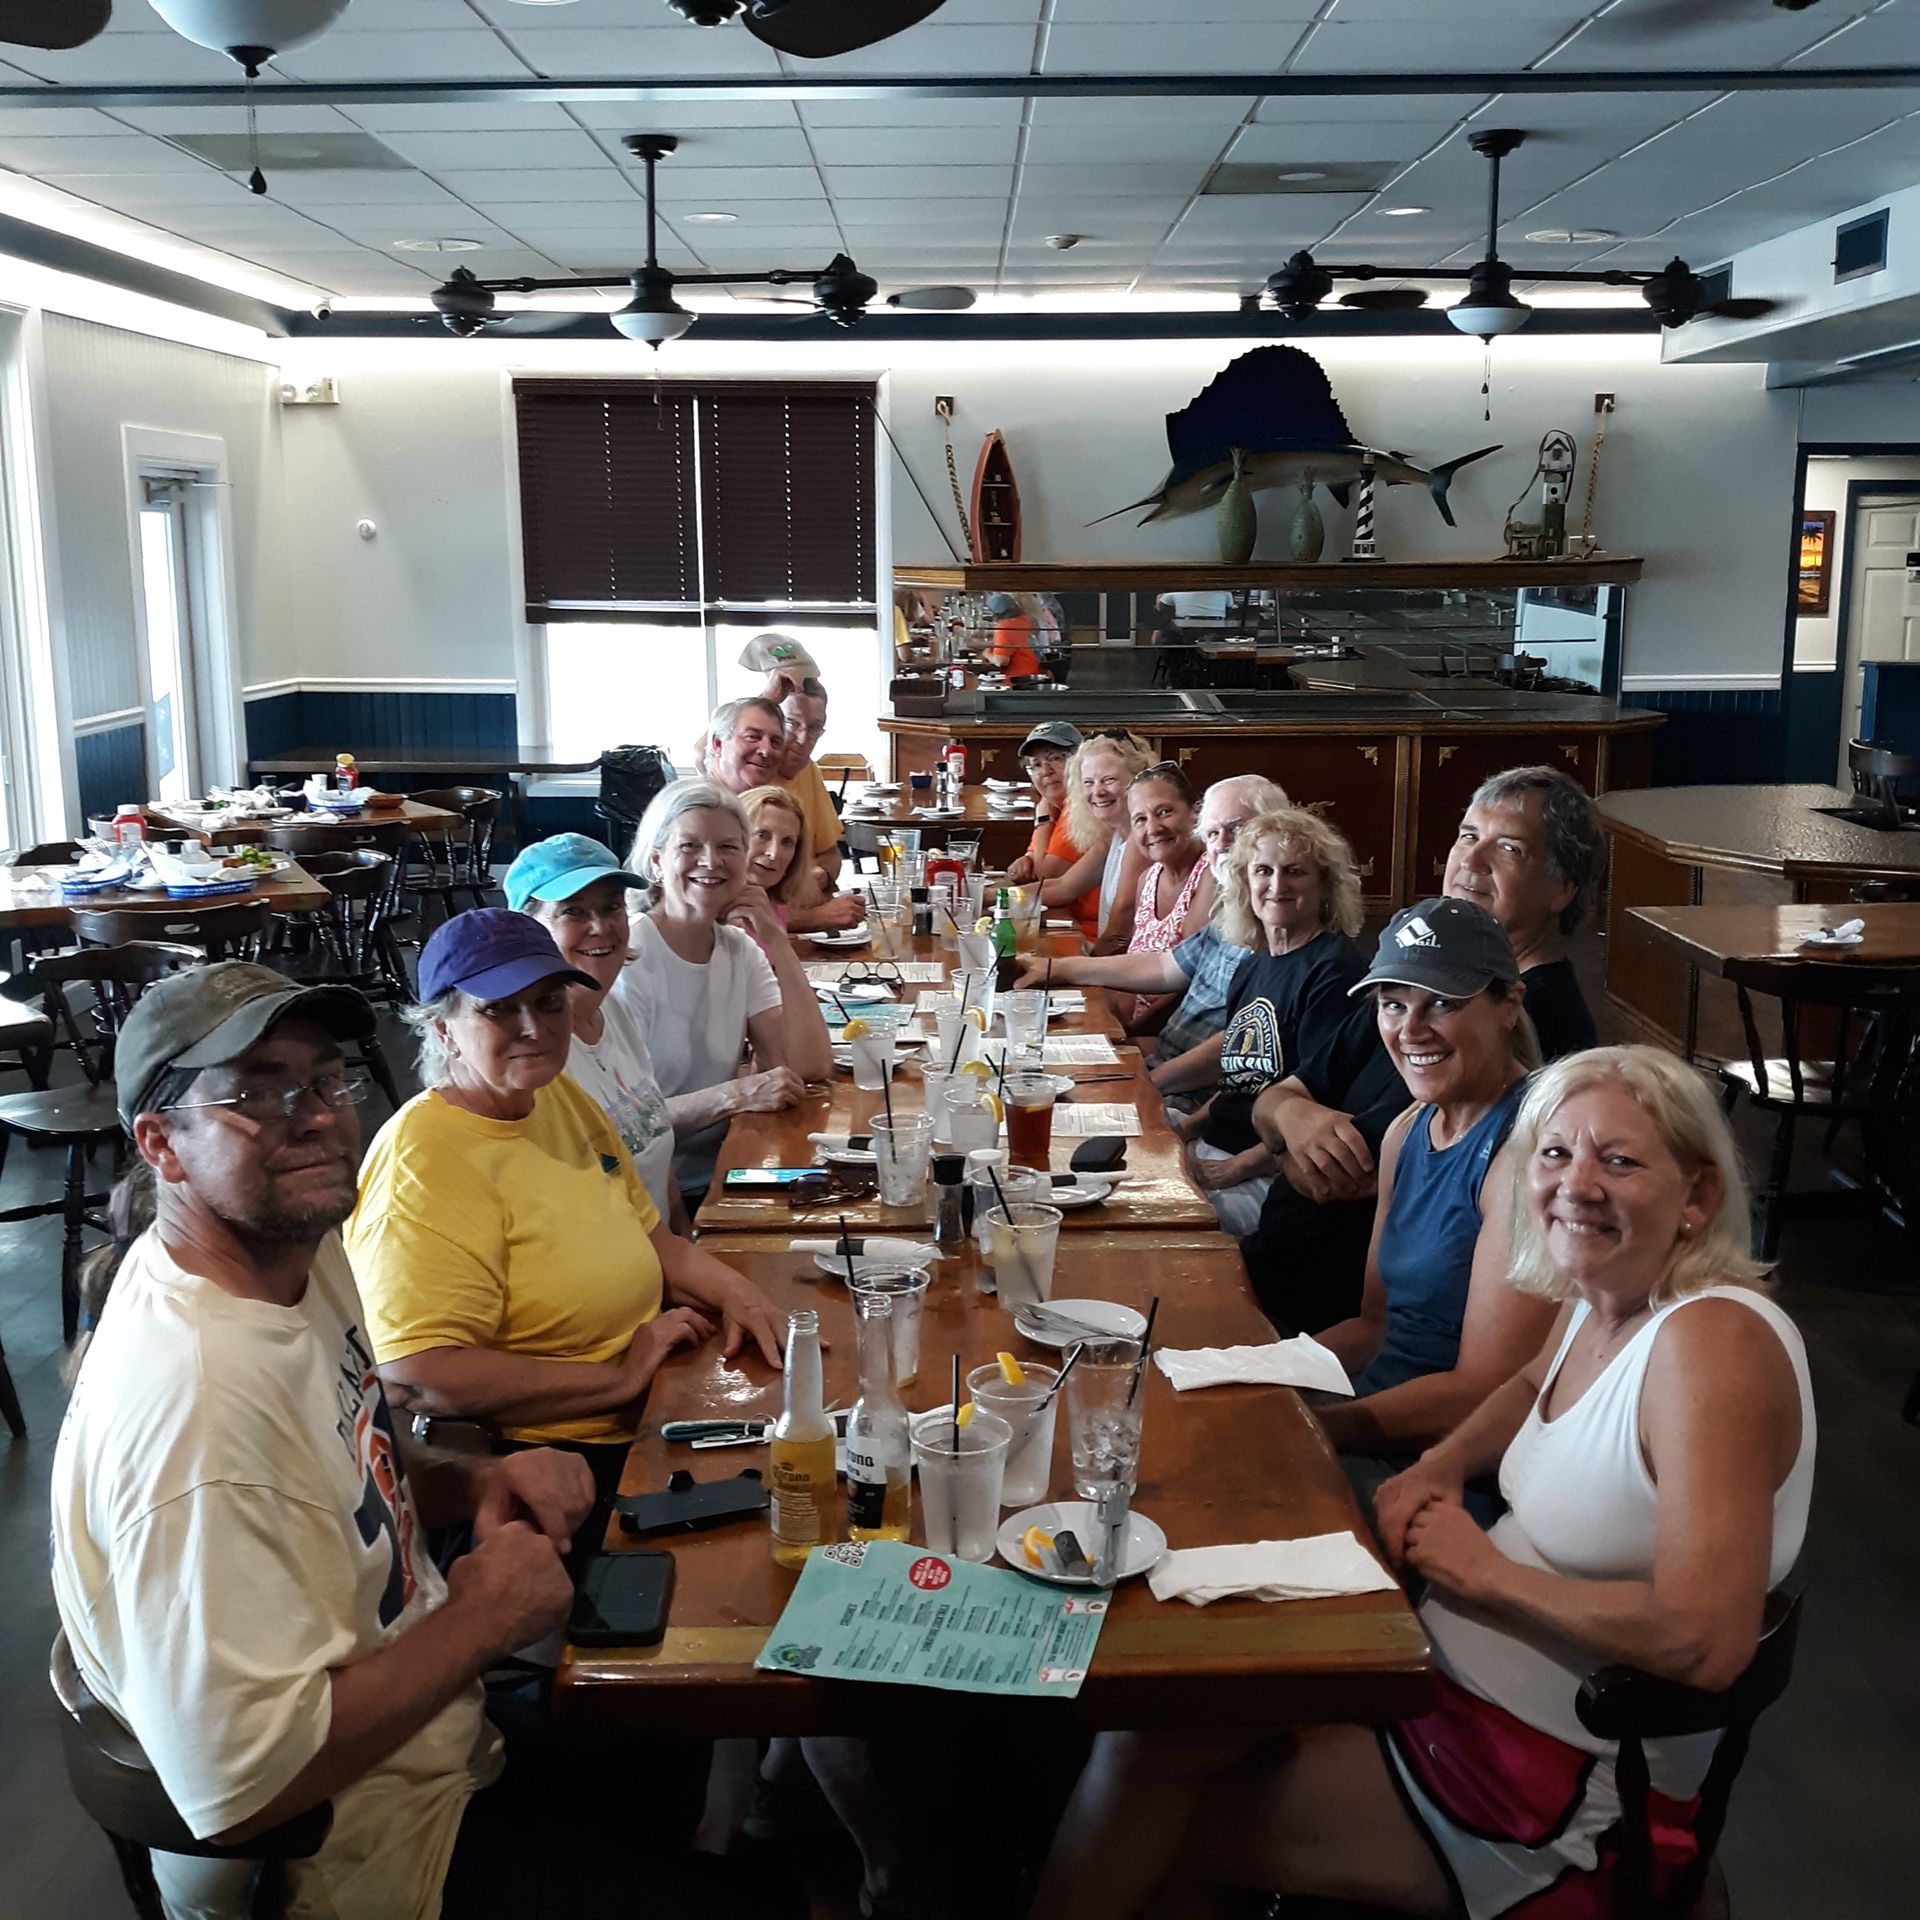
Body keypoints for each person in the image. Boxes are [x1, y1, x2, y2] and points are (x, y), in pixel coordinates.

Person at [1034, 1046, 1813, 1920]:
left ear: (1698, 1197)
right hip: (1436, 1695)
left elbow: (1705, 1642)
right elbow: (1528, 1385)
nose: (1576, 1184)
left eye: (1620, 1161)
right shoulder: (1608, 1292)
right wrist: (1441, 1464)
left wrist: (1481, 1572)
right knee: (1149, 1740)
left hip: (1551, 1792)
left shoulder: (1713, 1345)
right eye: (1556, 1153)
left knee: (1151, 1823)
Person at [49, 962, 589, 1919]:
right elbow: (240, 1787)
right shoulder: (199, 1414)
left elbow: (346, 1458)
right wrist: (485, 1615)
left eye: (326, 1080)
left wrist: (477, 1480)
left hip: (435, 1740)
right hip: (371, 1862)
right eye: (254, 1095)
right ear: (161, 1145)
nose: (314, 1118)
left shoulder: (290, 1251)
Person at [348, 911, 785, 1513]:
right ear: (444, 1030)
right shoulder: (421, 1162)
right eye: (499, 1009)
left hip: (653, 1404)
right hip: (554, 1464)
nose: (533, 1027)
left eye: (549, 1002)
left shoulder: (555, 1095)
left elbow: (652, 1237)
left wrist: (743, 1296)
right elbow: (418, 1370)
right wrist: (619, 1379)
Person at [1240, 765, 1607, 1333]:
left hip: (1329, 1317)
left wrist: (1286, 1130)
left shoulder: (1542, 1024)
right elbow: (1274, 1099)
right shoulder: (1416, 979)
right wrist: (1291, 1118)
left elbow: (1338, 1179)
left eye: (1508, 848)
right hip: (1278, 1286)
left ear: (1563, 888)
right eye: (1467, 835)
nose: (1471, 860)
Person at [1313, 899, 1556, 1494]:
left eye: (1443, 1002)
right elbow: (1374, 1327)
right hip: (1371, 1421)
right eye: (1393, 1004)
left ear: (1510, 1006)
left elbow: (1484, 1392)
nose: (1410, 1030)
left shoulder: (1528, 1153)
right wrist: (1257, 1374)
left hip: (1449, 1470)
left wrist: (1314, 1428)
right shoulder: (1405, 1131)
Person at [1158, 807, 1367, 1236]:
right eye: (1263, 871)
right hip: (1216, 1146)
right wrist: (1187, 1128)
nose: (1277, 885)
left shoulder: (1333, 968)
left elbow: (1322, 1103)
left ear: (1325, 886)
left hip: (1270, 1174)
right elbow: (1243, 1077)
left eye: (1295, 872)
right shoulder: (1255, 963)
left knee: (1159, 1229)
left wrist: (1236, 1168)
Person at [624, 778, 833, 1204]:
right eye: (690, 846)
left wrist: (777, 942)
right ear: (657, 861)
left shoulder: (739, 949)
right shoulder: (629, 956)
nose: (710, 861)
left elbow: (808, 1064)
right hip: (648, 1193)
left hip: (729, 1167)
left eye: (727, 847)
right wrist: (734, 1095)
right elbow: (625, 1122)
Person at [1016, 775, 1286, 1081]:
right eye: (1213, 833)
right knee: (1033, 1060)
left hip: (1191, 1084)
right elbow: (1163, 966)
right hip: (1163, 1054)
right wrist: (1055, 968)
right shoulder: (1235, 912)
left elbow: (1242, 1044)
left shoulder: (1281, 926)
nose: (1222, 844)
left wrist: (1149, 1080)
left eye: (1237, 828)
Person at [502, 831, 684, 1231]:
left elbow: (654, 1147)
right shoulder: (529, 1056)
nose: (600, 926)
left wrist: (686, 1239)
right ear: (526, 928)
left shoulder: (614, 1010)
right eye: (573, 912)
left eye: (611, 907)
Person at [704, 692, 859, 935]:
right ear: (717, 744)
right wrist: (815, 918)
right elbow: (719, 917)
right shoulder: (701, 814)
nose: (766, 750)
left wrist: (815, 881)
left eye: (776, 741)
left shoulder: (764, 799)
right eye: (753, 737)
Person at [1111, 761, 1213, 1034]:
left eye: (1164, 812)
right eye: (1140, 819)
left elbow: (1190, 979)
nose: (1153, 828)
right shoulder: (1147, 879)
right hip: (1135, 1030)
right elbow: (1132, 966)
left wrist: (1127, 1035)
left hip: (1176, 1034)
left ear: (1195, 812)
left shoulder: (1210, 873)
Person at [1054, 729, 1156, 954]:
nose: (1097, 791)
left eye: (1109, 780)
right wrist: (988, 895)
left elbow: (1118, 936)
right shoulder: (1115, 834)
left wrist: (1078, 968)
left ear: (1138, 781)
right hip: (1111, 961)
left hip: (1130, 968)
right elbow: (1063, 887)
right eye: (1088, 782)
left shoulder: (1142, 840)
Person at [1002, 719, 1083, 892]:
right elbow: (1034, 857)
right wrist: (1026, 860)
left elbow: (1045, 875)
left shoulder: (1082, 808)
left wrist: (1043, 820)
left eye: (1055, 759)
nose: (1046, 771)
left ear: (1080, 762)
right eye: (1036, 765)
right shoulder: (1054, 805)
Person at [737, 783, 816, 939]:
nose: (773, 853)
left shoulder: (775, 904)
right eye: (762, 835)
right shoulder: (709, 913)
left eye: (787, 842)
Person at [982, 590, 1040, 679]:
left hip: (1018, 679)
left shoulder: (1004, 627)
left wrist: (987, 654)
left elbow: (1001, 661)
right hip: (1034, 674)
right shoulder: (1023, 621)